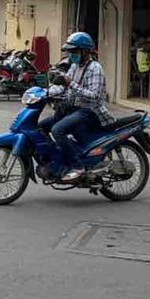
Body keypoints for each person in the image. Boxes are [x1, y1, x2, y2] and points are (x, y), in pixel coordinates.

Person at [45, 31, 114, 184]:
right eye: (70, 52)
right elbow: (62, 87)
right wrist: (45, 92)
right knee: (42, 127)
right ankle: (59, 160)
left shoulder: (95, 68)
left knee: (57, 130)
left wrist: (71, 84)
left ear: (85, 52)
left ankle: (77, 166)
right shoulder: (74, 67)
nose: (71, 55)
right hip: (74, 109)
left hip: (90, 111)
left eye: (74, 51)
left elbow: (94, 96)